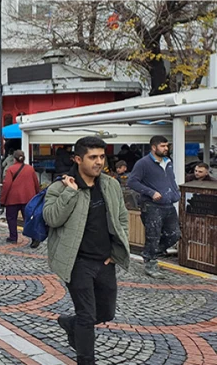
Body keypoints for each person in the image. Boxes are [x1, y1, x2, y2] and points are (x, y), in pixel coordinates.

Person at [43, 137, 131, 365]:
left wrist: (116, 251)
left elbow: (122, 217)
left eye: (102, 156)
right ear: (78, 159)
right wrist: (69, 193)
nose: (99, 162)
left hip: (105, 261)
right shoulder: (58, 187)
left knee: (106, 313)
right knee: (86, 315)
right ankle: (85, 359)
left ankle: (70, 324)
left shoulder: (110, 185)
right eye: (93, 157)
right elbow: (51, 218)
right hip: (77, 261)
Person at [127, 135, 181, 279]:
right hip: (151, 205)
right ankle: (151, 263)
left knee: (174, 234)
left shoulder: (168, 162)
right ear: (153, 147)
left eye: (166, 146)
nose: (166, 148)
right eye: (162, 146)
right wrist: (151, 193)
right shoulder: (143, 163)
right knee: (153, 235)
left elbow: (171, 179)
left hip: (168, 204)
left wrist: (176, 193)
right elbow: (132, 182)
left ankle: (149, 254)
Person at [1, 150, 40, 244]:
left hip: (13, 198)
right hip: (27, 198)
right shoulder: (30, 169)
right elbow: (36, 183)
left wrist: (2, 200)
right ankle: (34, 238)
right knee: (28, 219)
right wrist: (37, 195)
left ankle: (13, 237)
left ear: (14, 159)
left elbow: (7, 185)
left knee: (11, 218)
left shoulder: (11, 169)